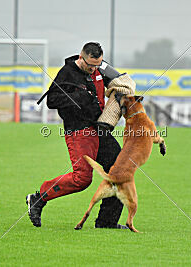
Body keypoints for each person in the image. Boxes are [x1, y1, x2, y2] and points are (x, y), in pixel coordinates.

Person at [26, 42, 127, 229]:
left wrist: (123, 91)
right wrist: (79, 97)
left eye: (98, 65)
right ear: (82, 57)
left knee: (120, 169)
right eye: (91, 65)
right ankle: (38, 197)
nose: (94, 69)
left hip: (99, 129)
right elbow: (52, 101)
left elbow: (119, 80)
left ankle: (107, 222)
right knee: (82, 179)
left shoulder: (100, 68)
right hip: (79, 131)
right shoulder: (67, 73)